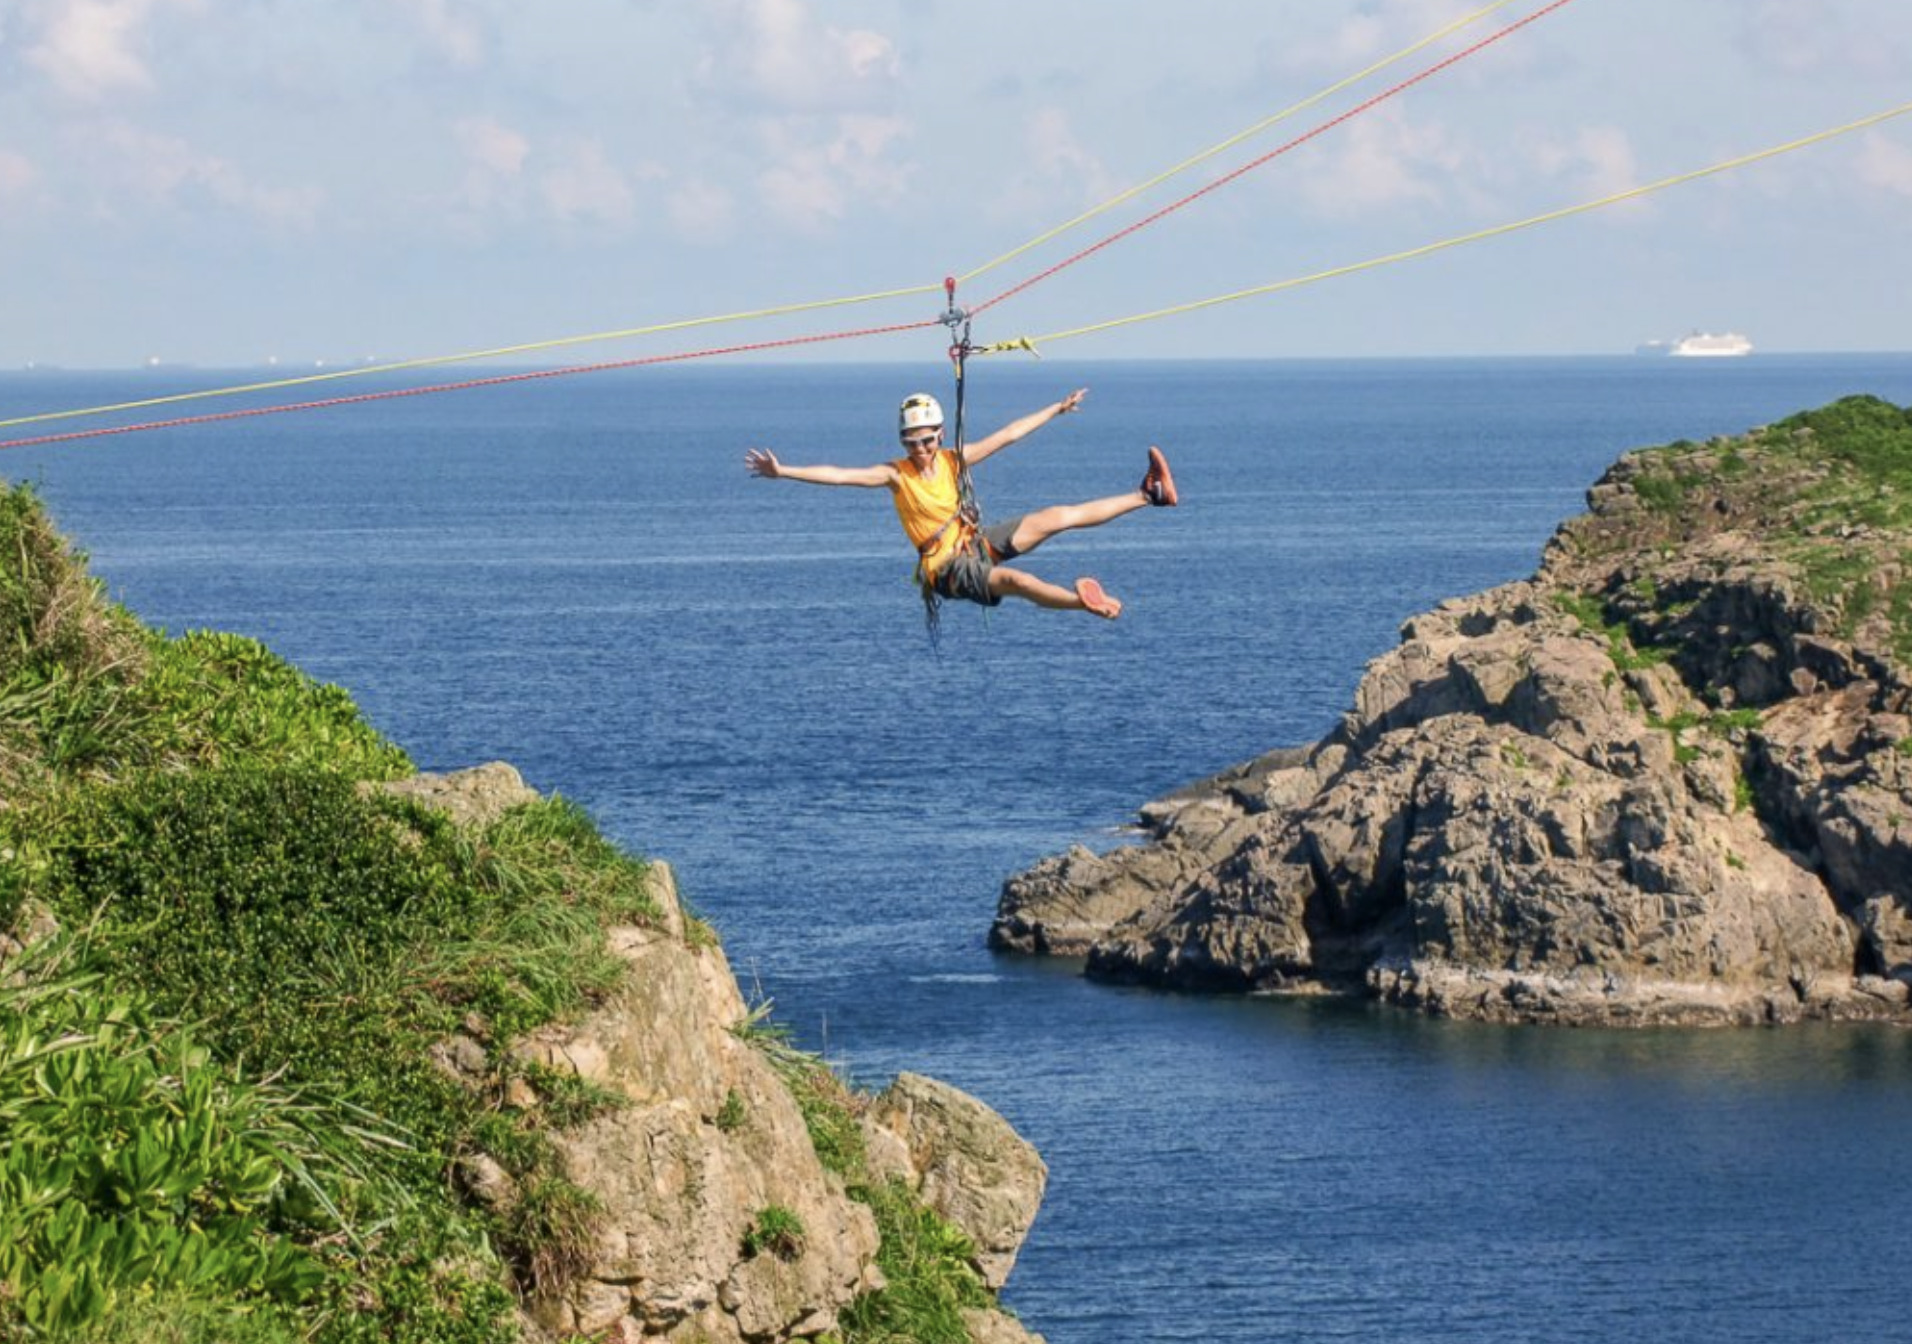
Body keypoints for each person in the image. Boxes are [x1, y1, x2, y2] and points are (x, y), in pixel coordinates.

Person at [743, 388, 1176, 620]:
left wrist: (1056, 410)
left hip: (972, 543)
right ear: (903, 443)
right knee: (1016, 581)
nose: (922, 449)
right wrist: (784, 472)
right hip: (945, 571)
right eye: (913, 442)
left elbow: (1007, 435)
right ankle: (1082, 603)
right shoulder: (896, 474)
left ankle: (1149, 495)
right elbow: (839, 475)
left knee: (1055, 517)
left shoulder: (954, 460)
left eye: (928, 440)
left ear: (940, 435)